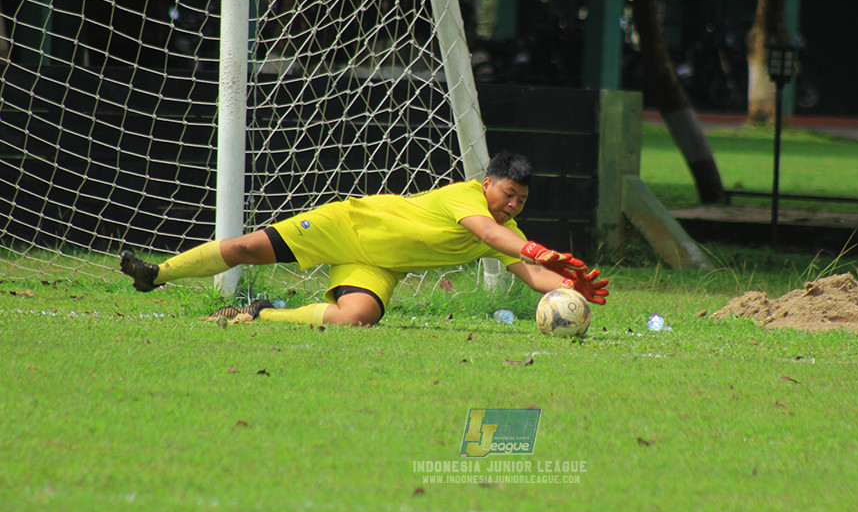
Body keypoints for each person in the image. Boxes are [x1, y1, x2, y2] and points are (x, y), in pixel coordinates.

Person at [119, 151, 609, 326]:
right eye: (508, 195)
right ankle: (156, 275)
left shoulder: (510, 232)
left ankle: (259, 313)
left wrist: (567, 287)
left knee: (358, 318)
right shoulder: (468, 198)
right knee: (249, 247)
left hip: (377, 265)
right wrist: (538, 250)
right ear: (488, 185)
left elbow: (531, 271)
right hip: (347, 226)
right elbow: (488, 234)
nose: (512, 206)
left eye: (521, 201)